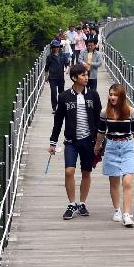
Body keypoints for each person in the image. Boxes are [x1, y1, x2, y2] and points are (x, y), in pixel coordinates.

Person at [49, 64, 103, 220]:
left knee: (86, 172)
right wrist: (53, 142)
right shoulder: (64, 96)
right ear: (74, 78)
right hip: (71, 142)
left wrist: (101, 140)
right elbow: (58, 121)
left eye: (87, 75)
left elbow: (100, 119)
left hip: (89, 141)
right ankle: (72, 204)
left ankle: (82, 203)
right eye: (83, 75)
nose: (86, 77)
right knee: (69, 171)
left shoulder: (93, 95)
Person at [94, 83, 134, 227]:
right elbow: (101, 132)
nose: (112, 97)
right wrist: (97, 146)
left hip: (127, 147)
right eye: (110, 94)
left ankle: (127, 214)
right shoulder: (105, 112)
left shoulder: (130, 112)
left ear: (121, 96)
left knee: (127, 181)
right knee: (114, 182)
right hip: (111, 147)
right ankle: (117, 210)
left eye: (115, 95)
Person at [43, 39, 66, 112]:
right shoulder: (49, 57)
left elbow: (67, 64)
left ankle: (61, 106)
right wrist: (46, 77)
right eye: (54, 47)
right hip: (52, 77)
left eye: (57, 47)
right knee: (53, 92)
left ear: (59, 47)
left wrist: (67, 69)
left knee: (61, 93)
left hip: (61, 77)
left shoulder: (63, 55)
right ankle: (54, 107)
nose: (56, 48)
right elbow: (46, 68)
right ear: (52, 48)